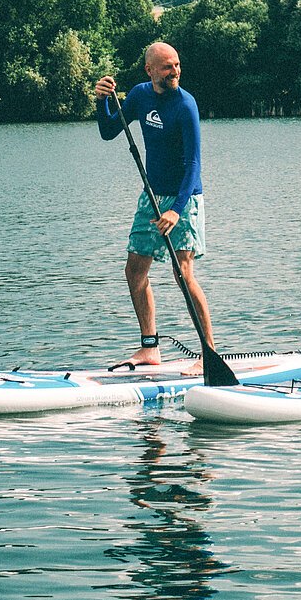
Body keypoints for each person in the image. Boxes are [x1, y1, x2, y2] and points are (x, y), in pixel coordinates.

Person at [94, 42, 213, 370]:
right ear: (150, 70)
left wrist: (177, 208)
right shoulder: (139, 96)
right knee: (134, 270)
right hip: (151, 195)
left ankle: (208, 354)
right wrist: (103, 99)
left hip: (183, 199)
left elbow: (193, 164)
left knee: (183, 273)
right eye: (166, 67)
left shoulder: (185, 105)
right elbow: (108, 132)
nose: (174, 71)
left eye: (177, 65)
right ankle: (150, 348)